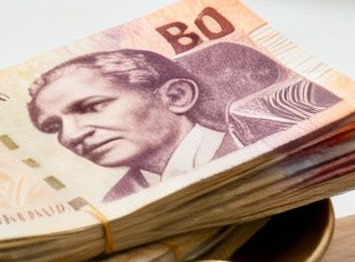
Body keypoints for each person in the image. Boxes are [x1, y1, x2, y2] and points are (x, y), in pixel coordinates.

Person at [25, 48, 238, 202]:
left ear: (176, 96)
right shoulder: (114, 202)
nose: (68, 136)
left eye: (92, 107)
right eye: (54, 127)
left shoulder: (247, 149)